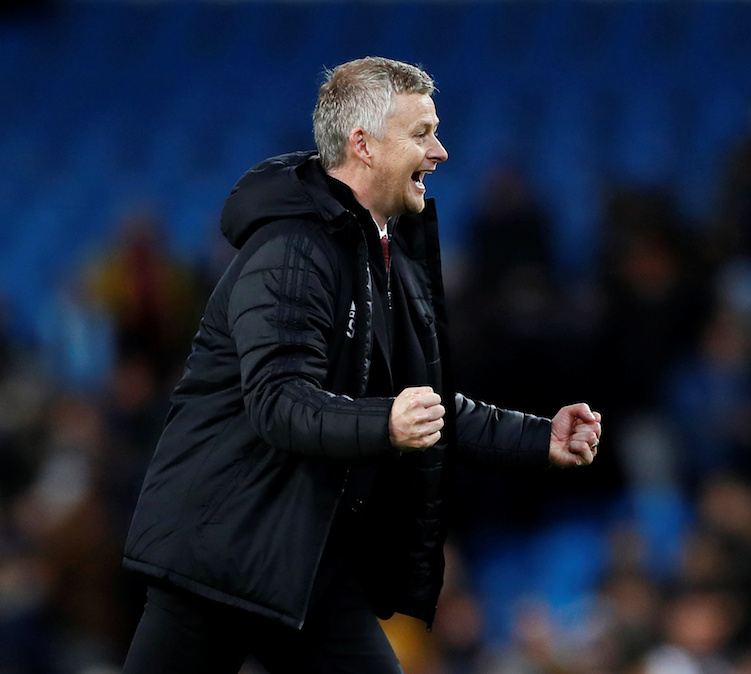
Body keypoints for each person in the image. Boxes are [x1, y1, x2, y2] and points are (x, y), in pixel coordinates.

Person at [120, 56, 602, 674]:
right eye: (422, 133)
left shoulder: (383, 255)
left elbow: (423, 408)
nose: (442, 151)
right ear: (363, 145)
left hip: (308, 562)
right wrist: (386, 425)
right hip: (222, 554)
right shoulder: (292, 249)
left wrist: (541, 437)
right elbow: (280, 401)